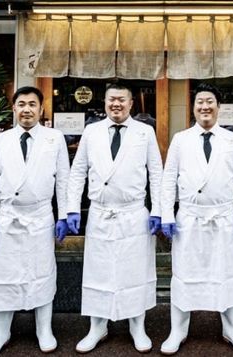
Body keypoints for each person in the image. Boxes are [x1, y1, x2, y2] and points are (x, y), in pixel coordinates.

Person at [66, 83, 163, 353]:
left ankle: (137, 326)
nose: (116, 104)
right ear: (105, 102)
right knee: (98, 272)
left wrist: (158, 210)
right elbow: (78, 172)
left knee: (135, 271)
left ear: (131, 104)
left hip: (133, 213)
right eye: (111, 99)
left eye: (122, 99)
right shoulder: (91, 131)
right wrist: (72, 208)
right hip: (100, 212)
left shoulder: (145, 132)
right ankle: (97, 326)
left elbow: (156, 173)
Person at [160, 83, 233, 355]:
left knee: (227, 274)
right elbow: (168, 180)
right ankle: (178, 330)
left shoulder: (232, 140)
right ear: (193, 107)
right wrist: (166, 213)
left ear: (218, 107)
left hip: (222, 218)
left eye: (210, 101)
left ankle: (232, 329)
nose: (205, 106)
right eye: (200, 101)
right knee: (184, 274)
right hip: (189, 218)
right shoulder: (181, 139)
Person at [0, 86, 70, 357]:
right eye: (21, 104)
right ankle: (1, 333)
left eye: (32, 104)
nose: (27, 109)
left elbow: (63, 179)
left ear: (41, 109)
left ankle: (44, 329)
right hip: (8, 217)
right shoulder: (0, 140)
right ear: (14, 108)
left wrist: (64, 215)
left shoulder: (55, 138)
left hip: (40, 216)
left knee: (42, 273)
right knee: (4, 275)